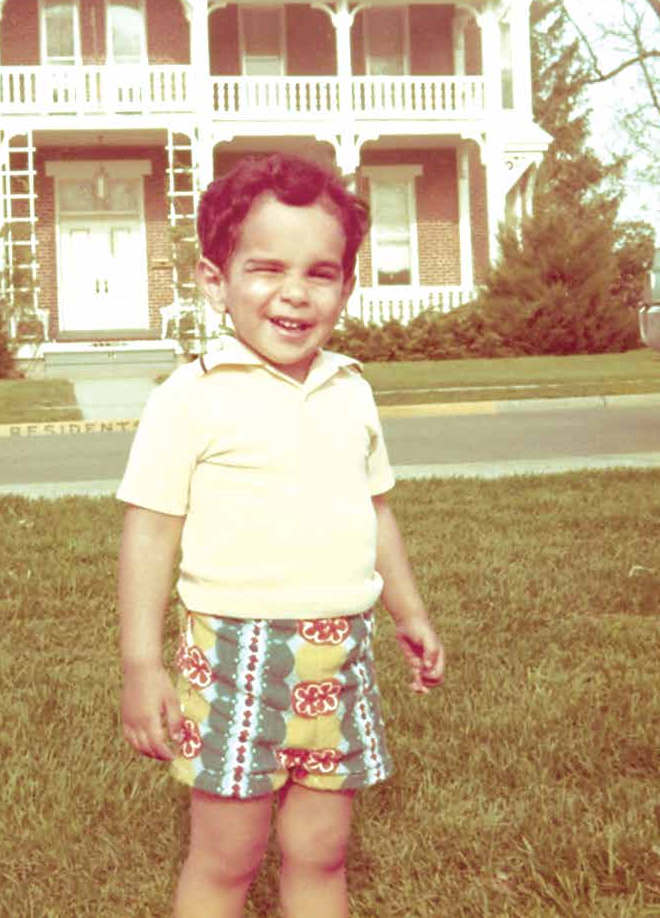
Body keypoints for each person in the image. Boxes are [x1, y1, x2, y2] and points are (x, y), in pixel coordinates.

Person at [117, 152, 445, 918]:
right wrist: (140, 664)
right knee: (227, 858)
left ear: (346, 286)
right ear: (215, 280)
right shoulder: (190, 397)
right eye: (266, 269)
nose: (295, 293)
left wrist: (409, 612)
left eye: (320, 273)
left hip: (340, 654)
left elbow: (376, 510)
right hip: (235, 658)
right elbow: (150, 533)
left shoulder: (349, 389)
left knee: (320, 851)